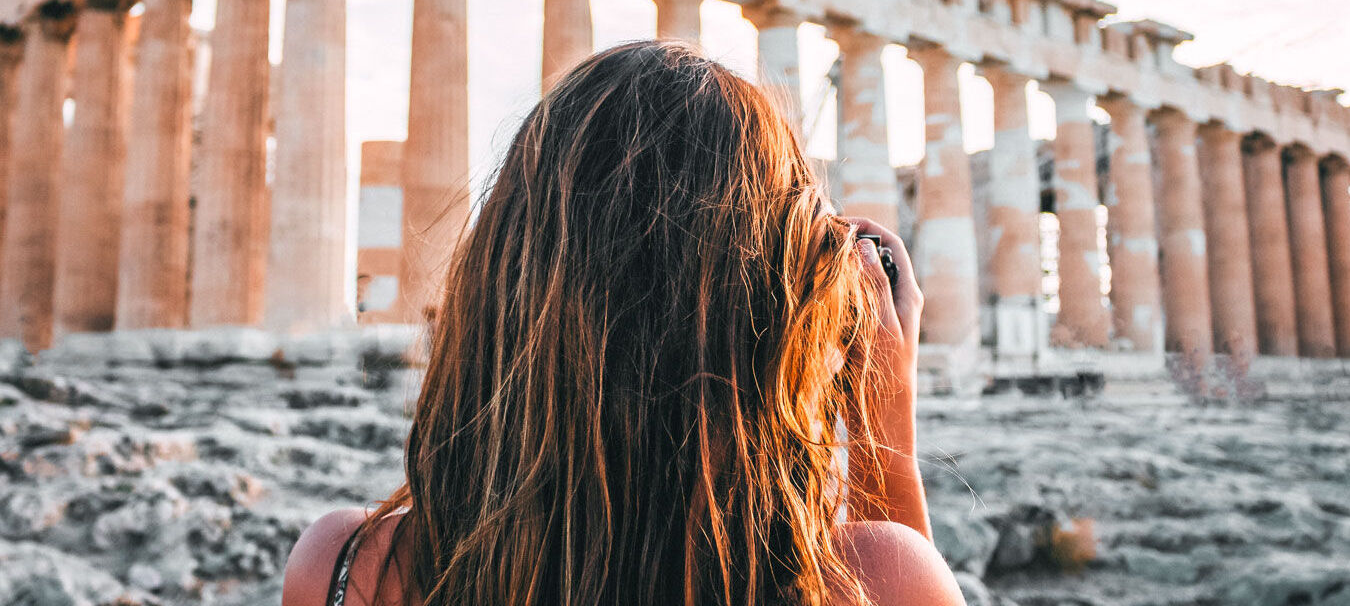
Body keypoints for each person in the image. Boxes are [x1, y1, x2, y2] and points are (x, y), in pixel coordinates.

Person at [282, 40, 963, 606]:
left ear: (502, 271)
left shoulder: (341, 568)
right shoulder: (877, 579)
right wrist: (882, 423)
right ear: (778, 308)